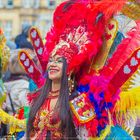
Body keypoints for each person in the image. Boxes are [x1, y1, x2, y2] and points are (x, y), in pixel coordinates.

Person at [18, 0, 140, 140]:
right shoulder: (38, 97)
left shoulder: (79, 103)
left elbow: (86, 136)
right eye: (51, 60)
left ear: (69, 69)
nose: (52, 64)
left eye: (59, 62)